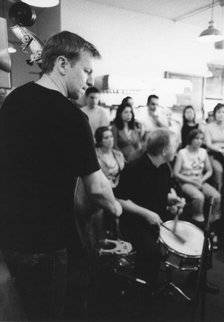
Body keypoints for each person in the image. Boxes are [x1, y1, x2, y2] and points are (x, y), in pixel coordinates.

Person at [0, 31, 122, 321]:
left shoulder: (13, 100)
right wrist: (116, 208)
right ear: (63, 65)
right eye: (87, 71)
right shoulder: (72, 117)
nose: (89, 81)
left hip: (11, 233)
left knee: (27, 309)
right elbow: (96, 187)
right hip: (46, 241)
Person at [115, 128, 185, 286]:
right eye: (175, 145)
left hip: (157, 219)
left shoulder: (165, 168)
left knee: (195, 237)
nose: (177, 148)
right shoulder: (134, 168)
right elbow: (120, 199)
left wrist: (172, 201)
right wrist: (146, 213)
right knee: (152, 253)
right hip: (134, 222)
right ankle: (143, 295)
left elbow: (158, 194)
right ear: (165, 150)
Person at [173, 129, 221, 224]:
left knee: (216, 196)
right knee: (199, 197)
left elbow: (209, 170)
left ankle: (212, 220)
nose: (200, 141)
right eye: (197, 138)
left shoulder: (203, 152)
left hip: (200, 180)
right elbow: (176, 173)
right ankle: (198, 220)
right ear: (191, 139)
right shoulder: (182, 152)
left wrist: (201, 180)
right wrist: (192, 182)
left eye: (201, 139)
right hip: (186, 181)